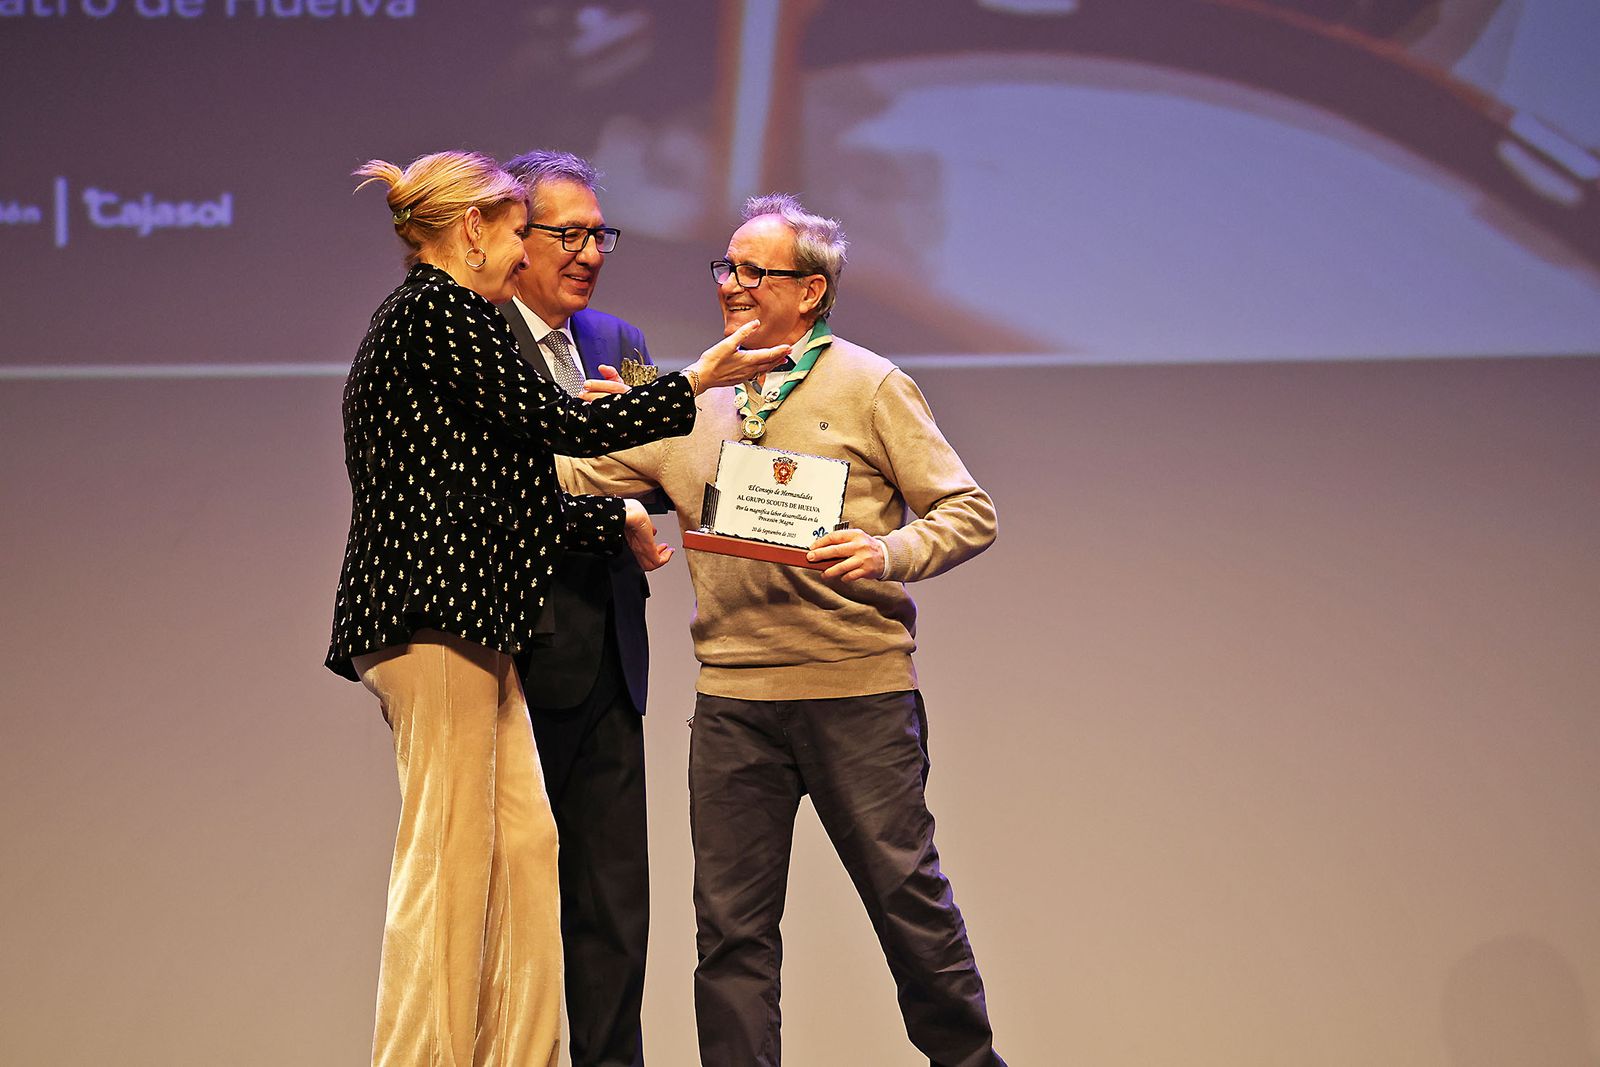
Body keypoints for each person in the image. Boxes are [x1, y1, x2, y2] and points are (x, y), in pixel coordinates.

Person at [323, 151, 789, 1067]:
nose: (534, 248)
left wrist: (611, 523)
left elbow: (506, 491)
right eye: (519, 229)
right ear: (475, 231)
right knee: (450, 858)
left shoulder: (454, 321)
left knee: (527, 848)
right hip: (430, 620)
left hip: (475, 625)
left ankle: (519, 1053)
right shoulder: (436, 312)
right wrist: (695, 382)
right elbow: (567, 431)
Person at [560, 193, 1007, 1067]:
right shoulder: (687, 395)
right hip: (733, 705)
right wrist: (604, 418)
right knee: (731, 936)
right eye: (726, 266)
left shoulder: (868, 382)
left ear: (810, 292)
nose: (732, 284)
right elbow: (576, 474)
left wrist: (886, 553)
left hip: (858, 692)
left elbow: (968, 509)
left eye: (755, 270)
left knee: (907, 905)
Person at [496, 149, 658, 1067]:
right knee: (513, 902)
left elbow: (669, 474)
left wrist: (632, 455)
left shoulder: (619, 341)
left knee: (614, 908)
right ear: (517, 240)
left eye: (601, 234)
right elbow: (496, 491)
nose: (590, 251)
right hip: (515, 654)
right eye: (569, 233)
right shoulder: (479, 340)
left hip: (612, 656)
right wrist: (601, 474)